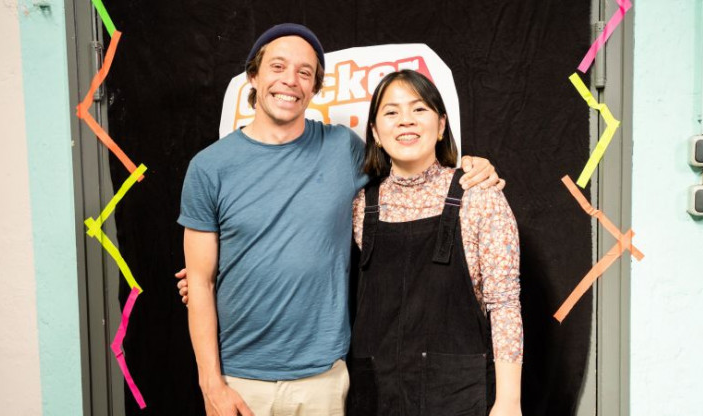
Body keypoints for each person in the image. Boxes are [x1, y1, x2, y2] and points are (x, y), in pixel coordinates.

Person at [178, 23, 501, 416]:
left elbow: (412, 170)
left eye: (304, 72)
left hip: (324, 381)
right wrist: (211, 384)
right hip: (239, 380)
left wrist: (471, 167)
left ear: (315, 87)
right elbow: (199, 281)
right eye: (277, 67)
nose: (290, 80)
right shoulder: (209, 168)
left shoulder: (342, 149)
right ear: (254, 76)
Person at [346, 70, 522, 416]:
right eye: (391, 112)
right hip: (377, 398)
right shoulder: (360, 207)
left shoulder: (479, 196)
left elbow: (504, 305)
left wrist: (508, 402)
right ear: (375, 133)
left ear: (441, 125)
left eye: (419, 109)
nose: (406, 121)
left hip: (457, 399)